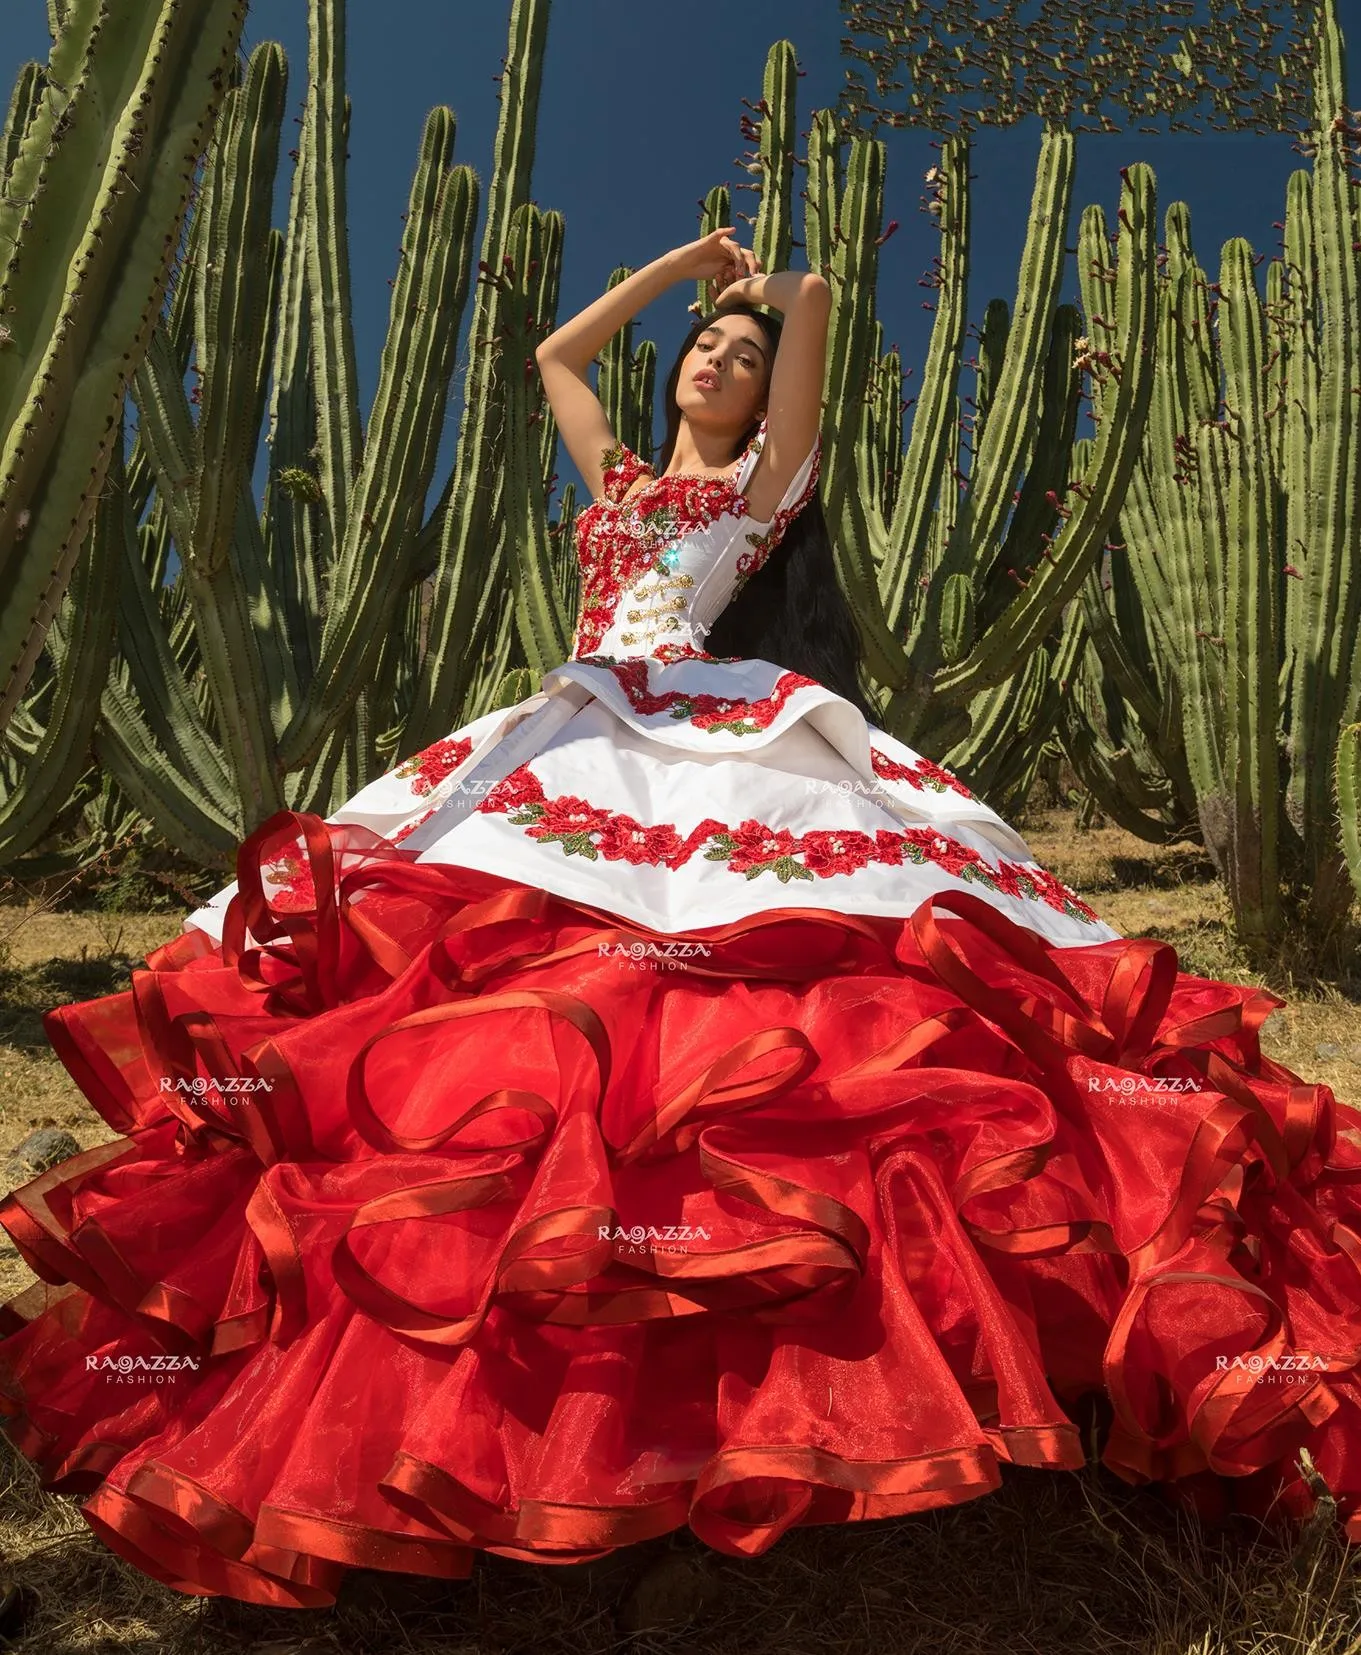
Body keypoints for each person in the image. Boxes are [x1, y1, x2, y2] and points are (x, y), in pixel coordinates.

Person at [0, 226, 1356, 1609]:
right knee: (488, 979)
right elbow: (553, 358)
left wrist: (761, 286)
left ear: (773, 402)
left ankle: (746, 1373)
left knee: (727, 1001)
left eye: (743, 357)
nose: (716, 358)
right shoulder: (627, 479)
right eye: (707, 349)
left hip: (704, 722)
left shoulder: (772, 488)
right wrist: (678, 272)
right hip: (578, 715)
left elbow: (815, 300)